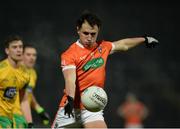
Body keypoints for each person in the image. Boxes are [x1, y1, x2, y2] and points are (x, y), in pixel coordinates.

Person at [52, 11, 159, 128]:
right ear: (78, 29)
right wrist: (70, 99)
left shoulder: (103, 47)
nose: (89, 37)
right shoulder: (70, 54)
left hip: (92, 107)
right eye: (85, 33)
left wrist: (144, 39)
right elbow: (70, 79)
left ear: (98, 31)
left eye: (93, 34)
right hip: (70, 107)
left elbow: (124, 44)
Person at [0, 35, 32, 128]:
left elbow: (24, 100)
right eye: (14, 47)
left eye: (20, 47)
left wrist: (30, 123)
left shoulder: (25, 74)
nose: (19, 50)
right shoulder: (1, 70)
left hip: (13, 117)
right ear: (7, 51)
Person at [19, 44, 50, 126]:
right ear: (21, 56)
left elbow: (28, 93)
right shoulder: (15, 72)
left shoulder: (33, 73)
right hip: (12, 116)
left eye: (34, 55)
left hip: (25, 116)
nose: (32, 58)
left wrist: (39, 109)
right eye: (28, 55)